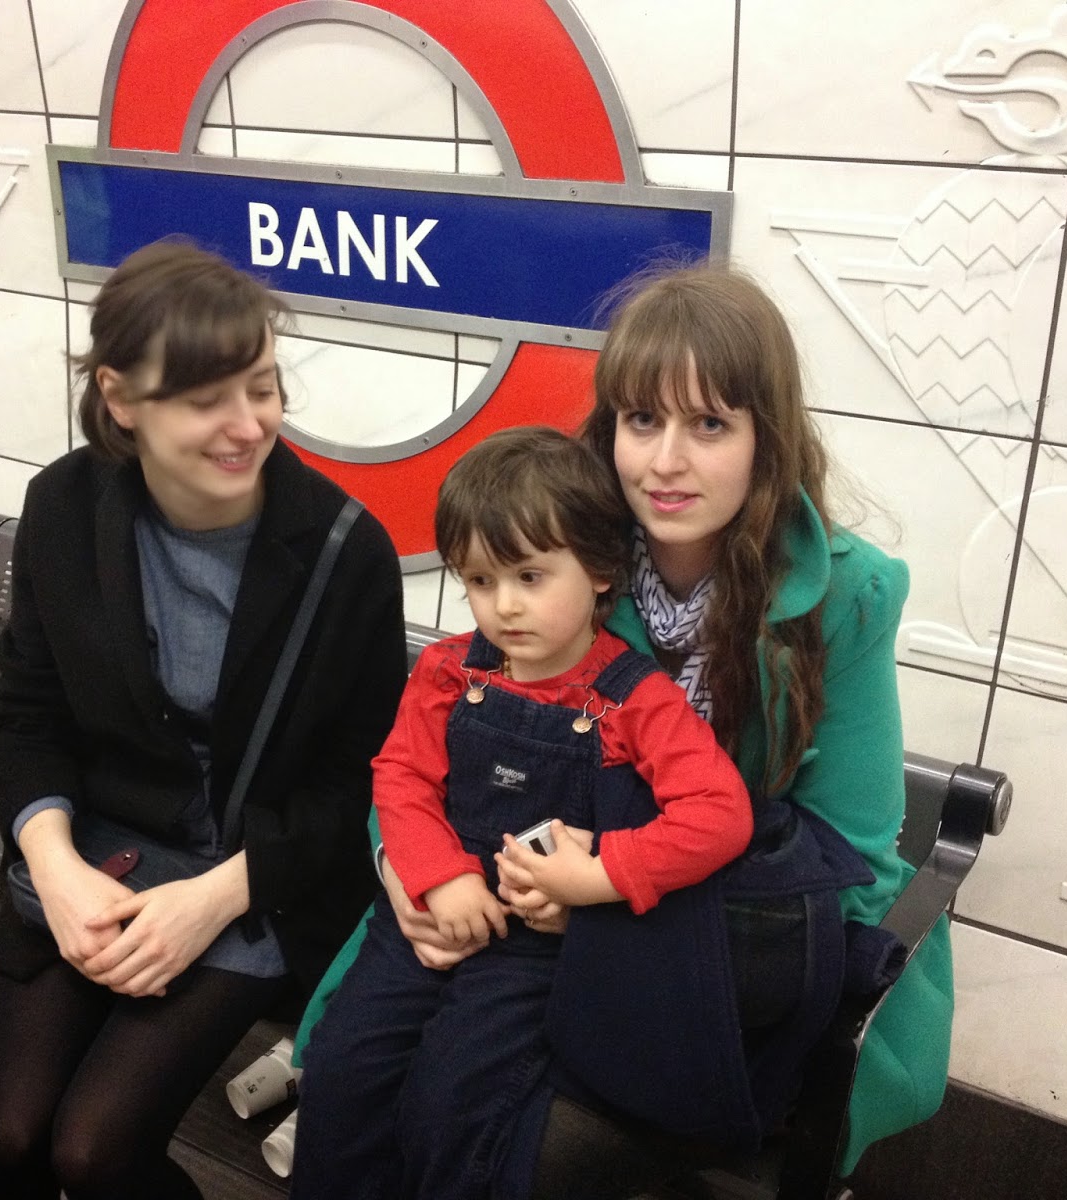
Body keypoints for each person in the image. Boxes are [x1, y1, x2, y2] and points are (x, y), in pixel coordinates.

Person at [294, 262, 943, 1198]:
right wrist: (408, 871)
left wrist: (604, 907)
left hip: (687, 958)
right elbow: (437, 748)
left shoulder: (847, 593)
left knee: (487, 1136)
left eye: (709, 425)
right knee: (359, 1088)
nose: (665, 462)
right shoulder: (558, 542)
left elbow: (851, 856)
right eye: (643, 420)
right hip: (493, 922)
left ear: (767, 437)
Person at [0, 238, 406, 1200]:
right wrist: (56, 870)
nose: (248, 426)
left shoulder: (341, 551)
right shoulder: (66, 508)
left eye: (263, 388)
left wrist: (212, 899)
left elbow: (357, 783)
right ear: (120, 399)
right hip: (99, 852)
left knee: (92, 1151)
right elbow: (28, 718)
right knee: (9, 1139)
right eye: (206, 400)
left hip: (252, 877)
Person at [290, 426, 755, 1200]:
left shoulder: (637, 699)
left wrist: (600, 876)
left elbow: (720, 813)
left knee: (453, 1105)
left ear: (601, 571)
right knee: (341, 1071)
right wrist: (438, 878)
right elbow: (400, 777)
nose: (503, 605)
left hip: (534, 953)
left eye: (531, 576)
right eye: (479, 580)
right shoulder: (447, 672)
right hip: (426, 920)